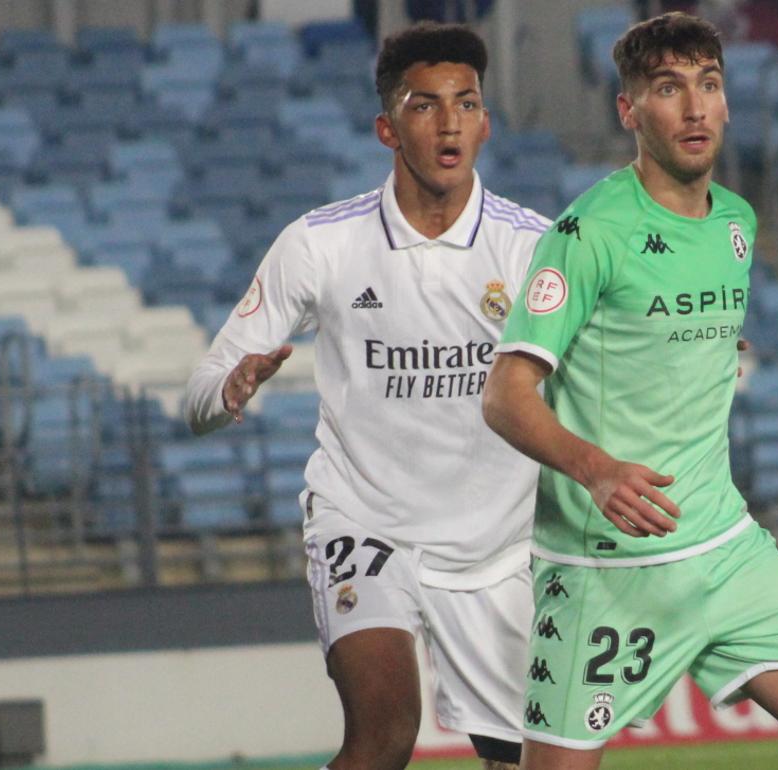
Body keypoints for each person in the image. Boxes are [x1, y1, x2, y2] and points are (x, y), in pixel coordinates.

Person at [482, 13, 778, 770]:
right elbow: (506, 395)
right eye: (668, 89)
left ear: (727, 101)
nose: (694, 107)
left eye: (708, 85)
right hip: (607, 568)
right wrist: (597, 469)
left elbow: (678, 336)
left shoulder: (736, 224)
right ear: (629, 111)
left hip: (724, 546)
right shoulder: (588, 235)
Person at [184, 23, 549, 770]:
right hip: (366, 523)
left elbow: (608, 361)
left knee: (522, 759)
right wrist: (232, 385)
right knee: (383, 732)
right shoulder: (320, 244)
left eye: (467, 103)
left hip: (495, 545)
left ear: (485, 121)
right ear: (388, 126)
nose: (449, 122)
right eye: (425, 105)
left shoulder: (533, 248)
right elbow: (197, 395)